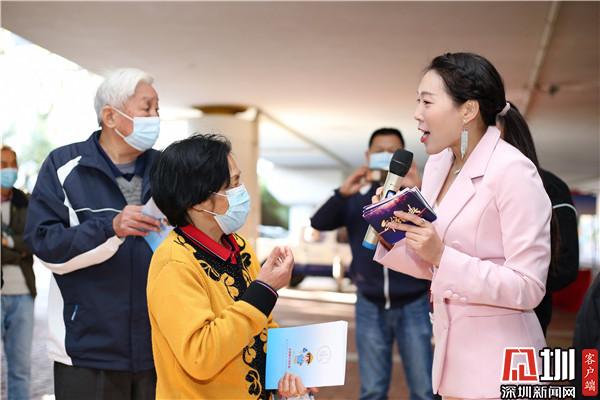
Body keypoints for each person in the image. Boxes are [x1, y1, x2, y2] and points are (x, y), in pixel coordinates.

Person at [372, 52, 551, 399]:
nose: (417, 113)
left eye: (427, 102)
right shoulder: (440, 165)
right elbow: (434, 265)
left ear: (468, 110)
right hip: (452, 359)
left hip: (503, 363)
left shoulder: (513, 171)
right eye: (417, 101)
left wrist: (441, 254)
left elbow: (528, 287)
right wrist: (392, 231)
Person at [24, 68, 162, 399]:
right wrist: (110, 227)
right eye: (147, 108)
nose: (156, 117)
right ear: (110, 117)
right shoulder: (63, 166)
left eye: (158, 109)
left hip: (158, 349)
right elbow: (44, 244)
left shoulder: (168, 170)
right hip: (86, 351)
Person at [147, 133, 317, 399]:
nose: (242, 192)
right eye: (233, 184)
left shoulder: (239, 246)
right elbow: (201, 355)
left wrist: (289, 369)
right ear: (199, 201)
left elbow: (261, 324)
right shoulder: (174, 262)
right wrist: (264, 290)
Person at [310, 128, 433, 400]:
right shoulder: (357, 197)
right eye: (379, 151)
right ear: (368, 155)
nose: (386, 155)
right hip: (369, 302)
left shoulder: (413, 198)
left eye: (392, 151)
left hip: (413, 302)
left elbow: (440, 228)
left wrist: (421, 189)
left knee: (425, 389)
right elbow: (318, 222)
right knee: (372, 390)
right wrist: (342, 193)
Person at [499, 102, 579, 335]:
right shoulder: (468, 186)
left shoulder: (551, 187)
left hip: (526, 319)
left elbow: (566, 265)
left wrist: (516, 286)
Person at [1, 145, 36, 400]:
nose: (9, 169)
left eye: (12, 163)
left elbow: (34, 242)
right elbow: (24, 247)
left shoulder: (27, 202)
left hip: (23, 293)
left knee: (21, 370)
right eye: (3, 164)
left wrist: (8, 242)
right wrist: (19, 250)